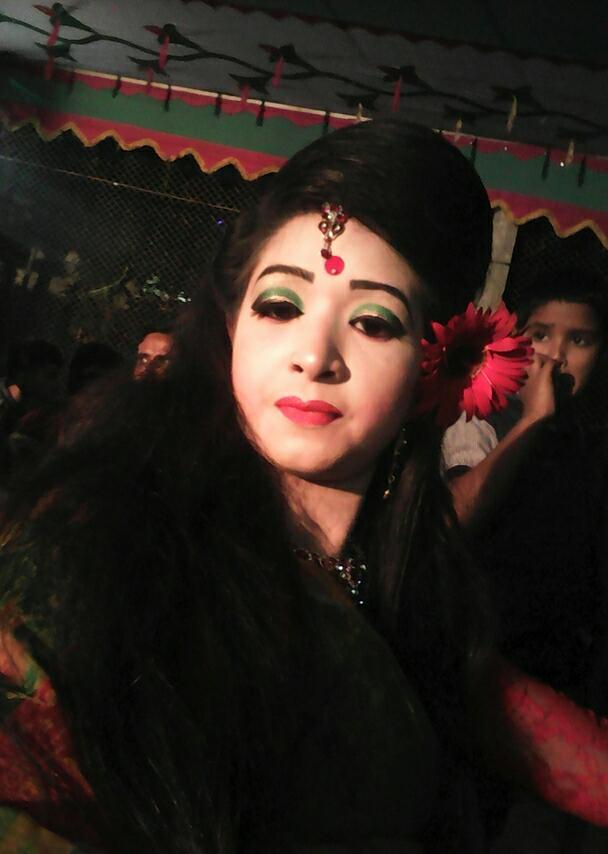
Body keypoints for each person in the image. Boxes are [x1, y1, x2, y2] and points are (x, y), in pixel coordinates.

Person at [0, 119, 608, 854]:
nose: (315, 356)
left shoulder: (408, 584)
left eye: (374, 321)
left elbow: (499, 709)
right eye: (280, 307)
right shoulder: (107, 548)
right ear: (233, 327)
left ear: (436, 366)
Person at [442, 270, 608, 850]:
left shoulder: (592, 440)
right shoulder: (479, 414)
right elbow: (455, 520)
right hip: (475, 666)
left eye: (579, 340)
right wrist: (533, 421)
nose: (556, 356)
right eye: (541, 335)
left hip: (563, 675)